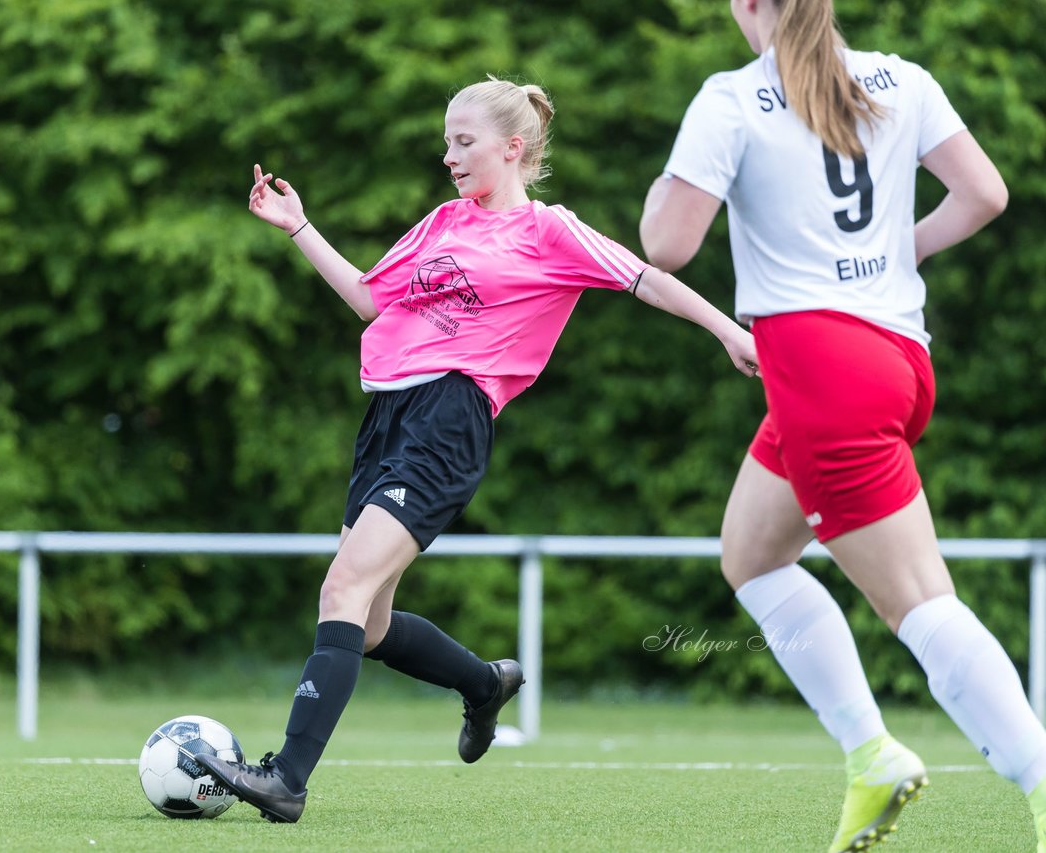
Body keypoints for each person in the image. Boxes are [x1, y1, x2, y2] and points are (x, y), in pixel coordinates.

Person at [196, 75, 758, 823]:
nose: (450, 156)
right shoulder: (442, 222)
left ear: (513, 148)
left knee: (340, 591)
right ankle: (483, 684)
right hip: (388, 419)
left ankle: (286, 777)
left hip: (450, 419)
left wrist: (728, 330)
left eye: (464, 142)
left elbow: (646, 278)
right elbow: (369, 298)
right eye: (447, 142)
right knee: (363, 625)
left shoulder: (550, 231)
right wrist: (299, 226)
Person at [639, 0, 1046, 850]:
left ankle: (1034, 774)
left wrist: (666, 183)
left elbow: (666, 245)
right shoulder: (902, 77)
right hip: (896, 361)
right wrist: (905, 251)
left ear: (748, 5)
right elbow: (986, 193)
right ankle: (870, 757)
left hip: (823, 373)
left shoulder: (731, 98)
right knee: (751, 557)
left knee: (920, 603)